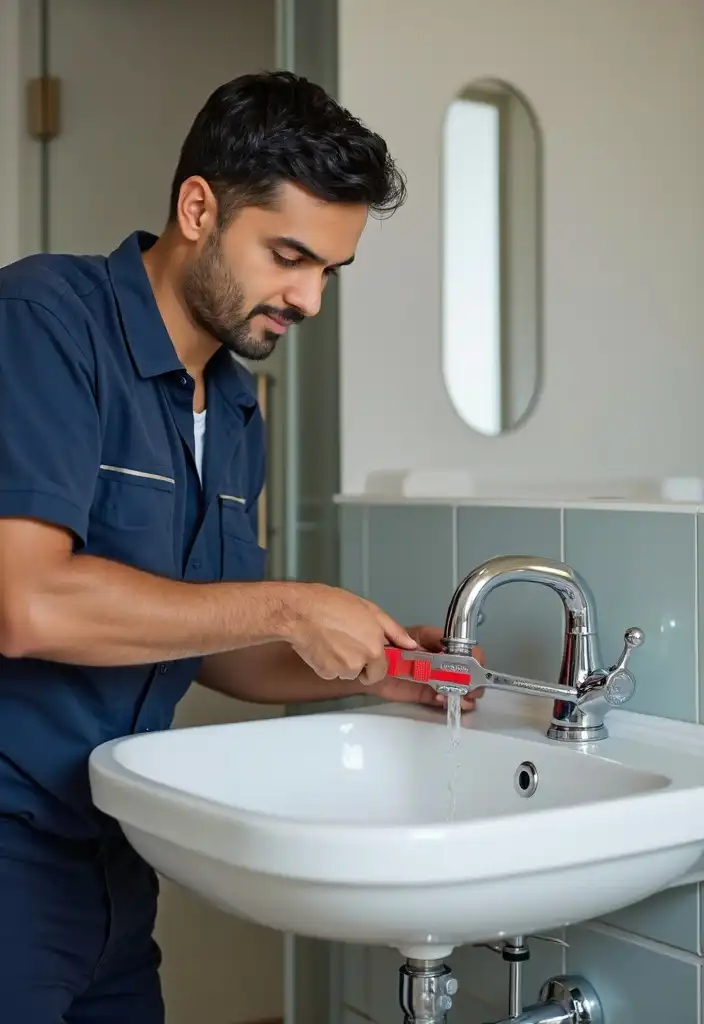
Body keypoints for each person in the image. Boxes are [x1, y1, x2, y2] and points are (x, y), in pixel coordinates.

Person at [0, 71, 480, 1022]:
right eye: (288, 255)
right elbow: (28, 603)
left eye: (328, 272)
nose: (307, 300)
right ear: (197, 207)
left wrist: (381, 672)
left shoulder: (234, 403)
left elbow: (207, 639)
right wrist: (292, 604)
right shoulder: (45, 321)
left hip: (116, 858)